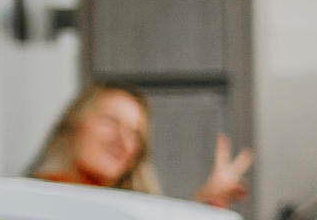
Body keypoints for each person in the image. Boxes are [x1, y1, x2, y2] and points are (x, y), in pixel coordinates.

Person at [29, 83, 252, 209]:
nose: (123, 141)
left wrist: (206, 204)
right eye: (111, 121)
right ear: (74, 124)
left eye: (135, 133)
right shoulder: (36, 204)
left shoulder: (127, 212)